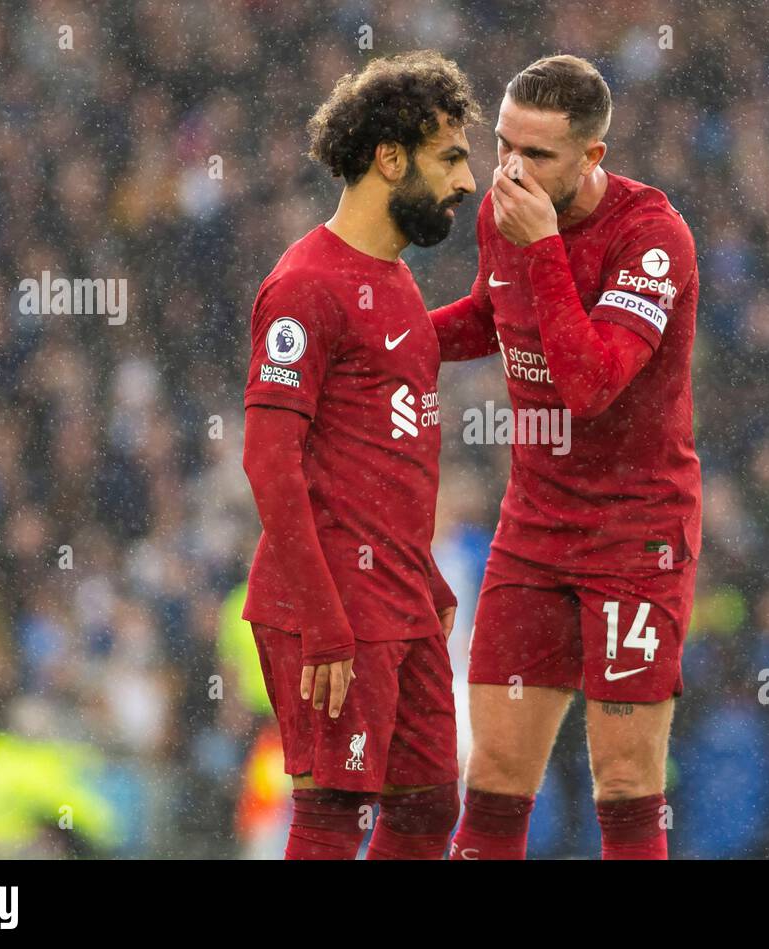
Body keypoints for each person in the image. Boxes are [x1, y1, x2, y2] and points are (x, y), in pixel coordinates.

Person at [431, 55, 702, 859]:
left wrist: (545, 248)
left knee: (625, 786)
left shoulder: (652, 240)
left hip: (634, 537)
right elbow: (492, 313)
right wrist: (384, 332)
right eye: (504, 144)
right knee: (492, 777)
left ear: (593, 157)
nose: (509, 168)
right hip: (534, 529)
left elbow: (591, 386)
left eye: (536, 154)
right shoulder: (507, 213)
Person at [240, 50, 479, 859]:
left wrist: (428, 575)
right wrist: (324, 624)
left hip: (400, 598)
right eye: (451, 157)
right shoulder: (304, 284)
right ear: (390, 157)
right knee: (334, 815)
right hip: (332, 603)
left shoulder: (401, 285)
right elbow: (269, 462)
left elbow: (386, 456)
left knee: (427, 807)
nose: (466, 181)